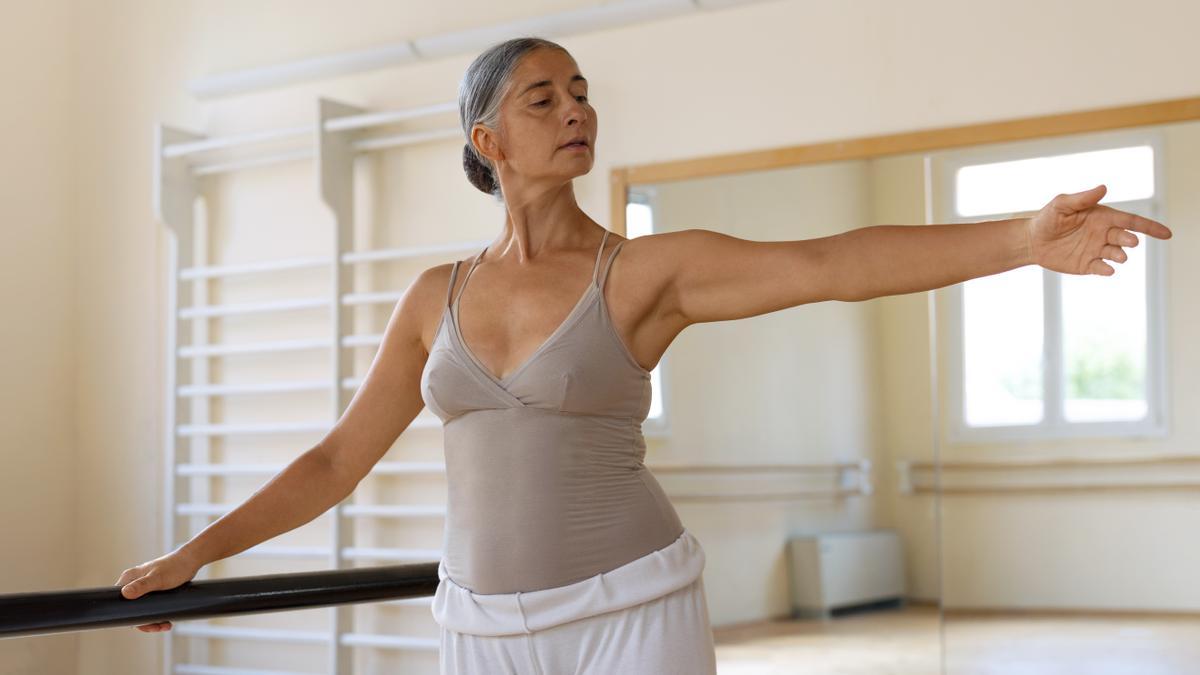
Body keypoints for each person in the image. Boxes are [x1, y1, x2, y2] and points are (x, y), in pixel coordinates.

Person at [115, 36, 1172, 675]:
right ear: (488, 140)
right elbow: (336, 463)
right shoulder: (431, 297)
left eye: (581, 92)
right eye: (545, 98)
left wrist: (1016, 240)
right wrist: (195, 555)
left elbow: (830, 261)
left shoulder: (644, 272)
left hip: (631, 610)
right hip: (477, 627)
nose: (577, 109)